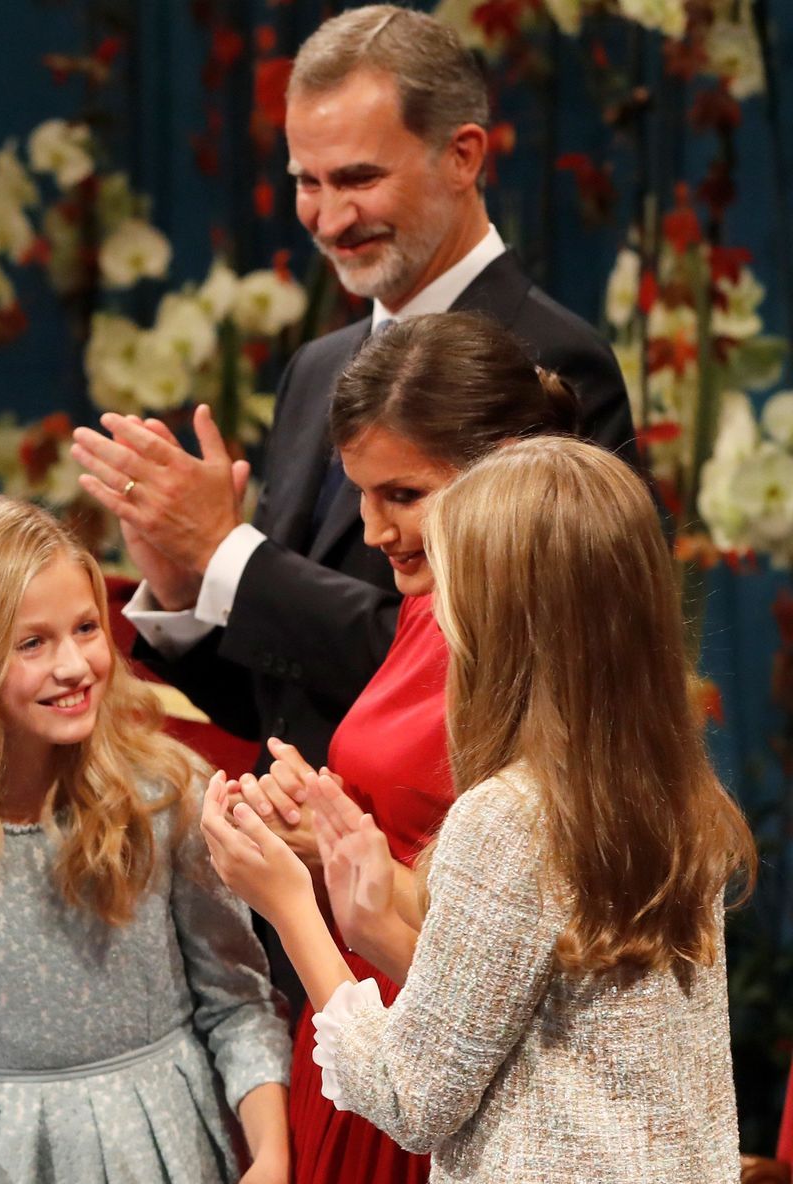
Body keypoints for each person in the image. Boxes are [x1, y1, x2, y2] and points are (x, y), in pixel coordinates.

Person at [70, 4, 643, 777]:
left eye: (359, 178)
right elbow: (284, 701)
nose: (330, 218)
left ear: (464, 156)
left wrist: (228, 553)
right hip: (305, 881)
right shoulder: (317, 368)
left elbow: (506, 674)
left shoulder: (553, 360)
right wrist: (184, 587)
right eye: (307, 181)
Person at [201, 436, 756, 1184]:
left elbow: (411, 1101)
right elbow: (544, 1033)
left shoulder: (508, 816)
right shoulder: (674, 792)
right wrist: (369, 922)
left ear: (503, 616)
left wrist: (291, 905)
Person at [0, 496, 290, 1184]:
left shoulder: (164, 793)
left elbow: (237, 1002)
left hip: (171, 1151)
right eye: (32, 643)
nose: (75, 665)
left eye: (85, 628)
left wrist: (272, 1157)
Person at [224, 310, 580, 1184]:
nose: (374, 530)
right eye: (361, 494)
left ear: (500, 467)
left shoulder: (544, 657)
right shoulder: (428, 604)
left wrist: (301, 892)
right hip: (358, 1038)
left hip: (437, 1073)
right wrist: (329, 830)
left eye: (404, 496)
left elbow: (510, 940)